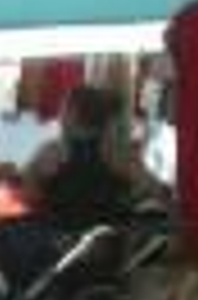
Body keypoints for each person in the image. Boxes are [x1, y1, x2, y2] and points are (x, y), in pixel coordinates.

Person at [24, 84, 139, 234]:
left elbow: (30, 196)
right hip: (106, 242)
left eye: (62, 109)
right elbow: (149, 191)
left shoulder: (52, 151)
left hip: (60, 244)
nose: (59, 116)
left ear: (72, 114)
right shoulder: (119, 154)